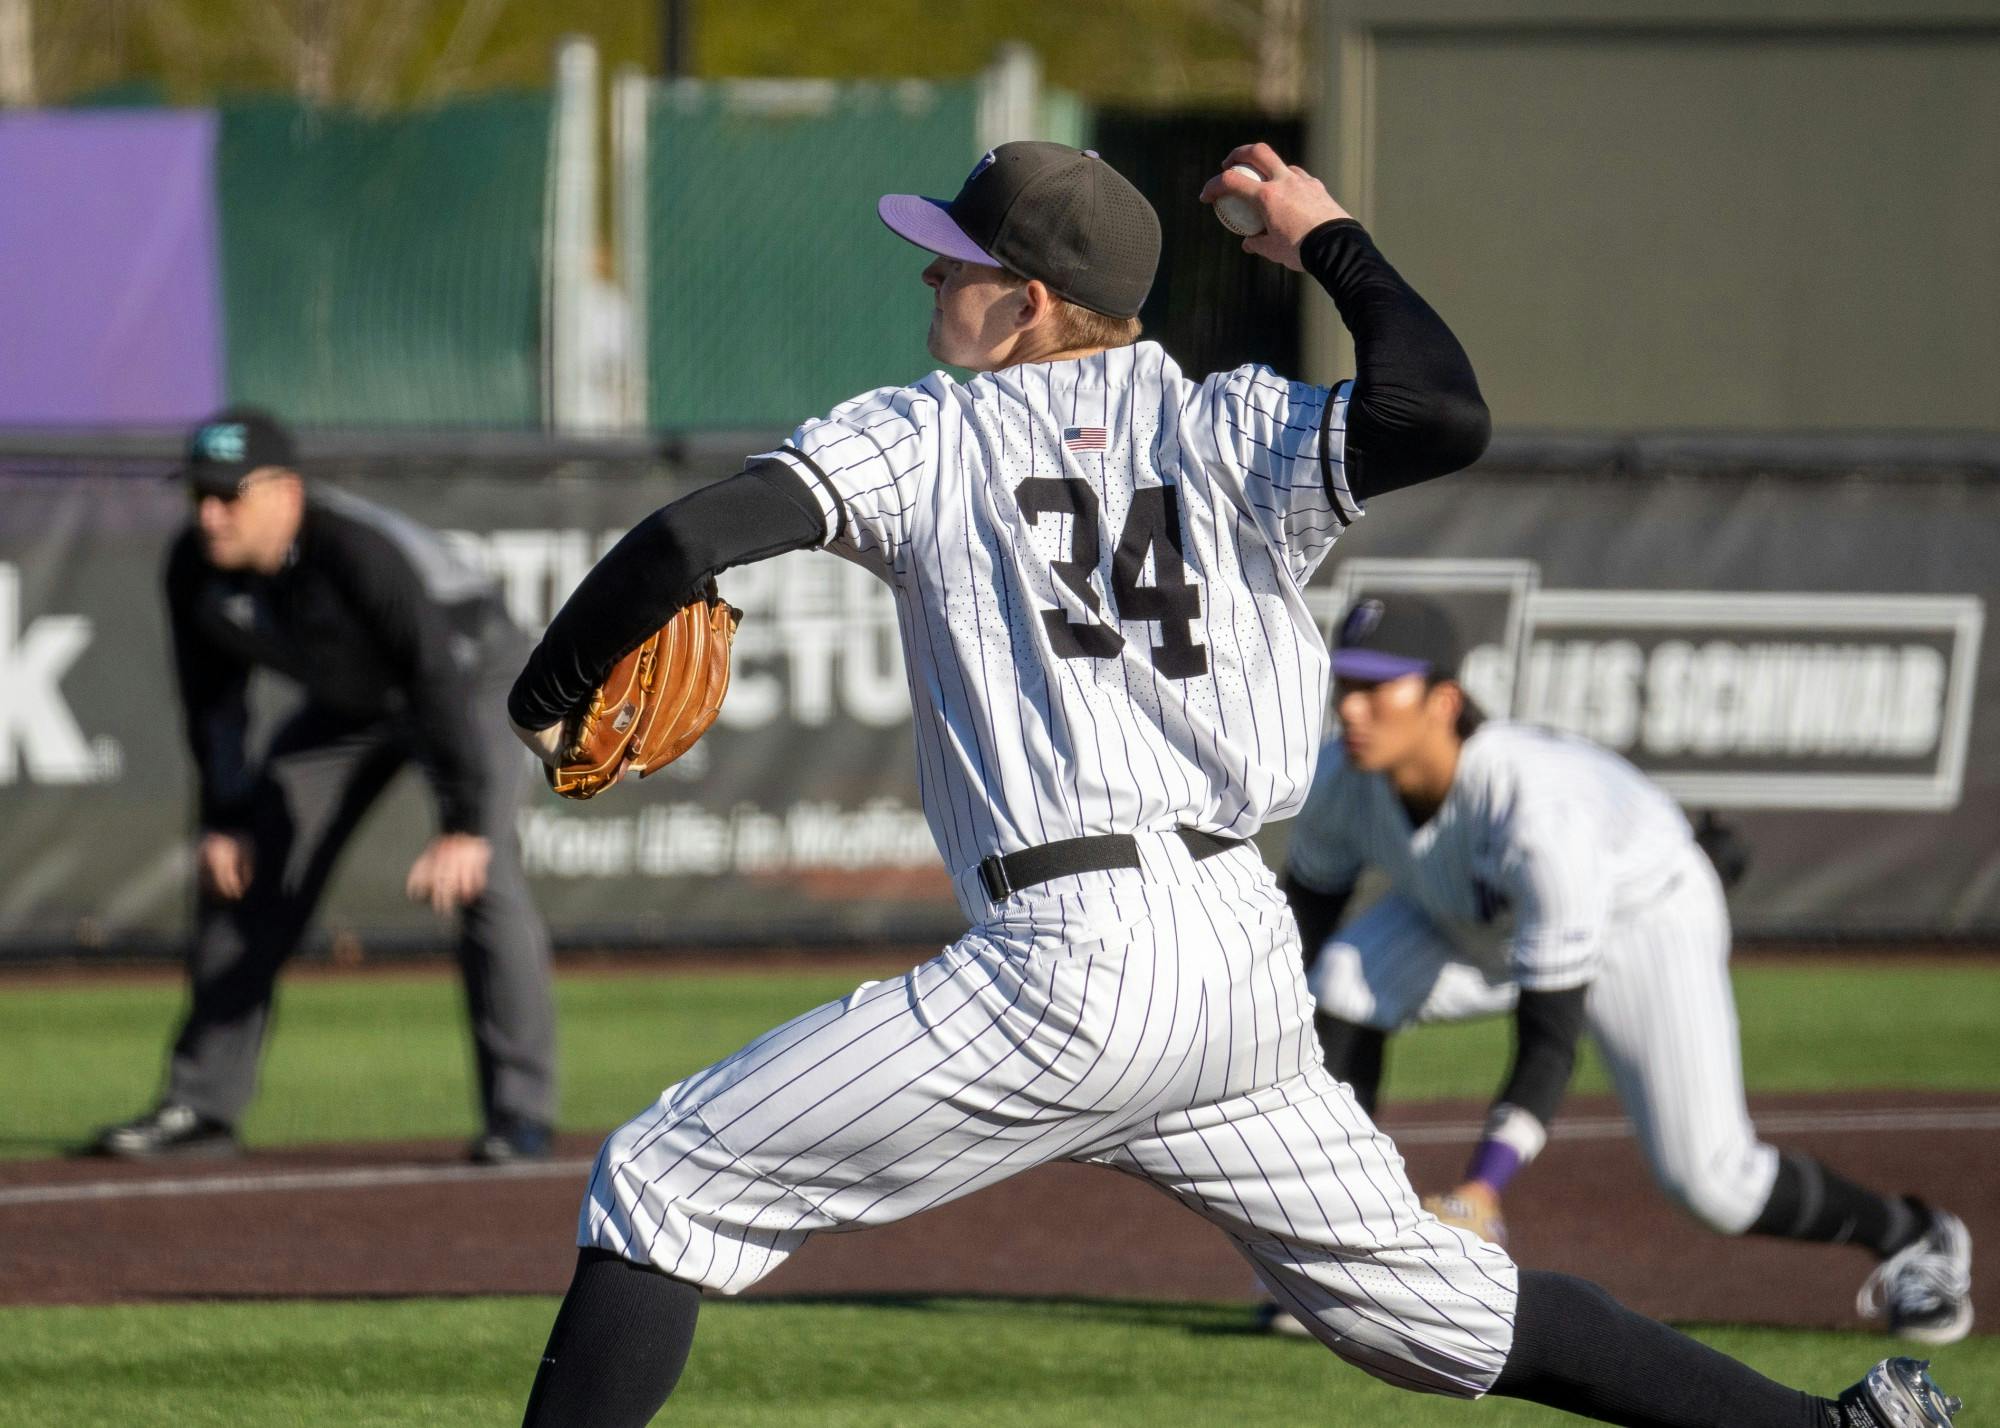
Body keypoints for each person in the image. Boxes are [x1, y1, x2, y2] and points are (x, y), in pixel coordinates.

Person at [504, 141, 1960, 1428]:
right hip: (1236, 970)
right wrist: (1329, 237)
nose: (927, 276)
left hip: (1068, 965)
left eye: (952, 260)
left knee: (668, 1183)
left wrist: (543, 693)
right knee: (1434, 1311)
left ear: (1023, 306)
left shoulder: (926, 434)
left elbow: (691, 538)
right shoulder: (1231, 425)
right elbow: (1441, 415)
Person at [1262, 592, 1974, 1345]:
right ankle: (1341, 1258)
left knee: (1713, 1184)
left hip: (1644, 914)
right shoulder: (1341, 777)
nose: (1352, 708)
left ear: (1442, 700)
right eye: (1346, 684)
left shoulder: (1538, 819)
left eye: (1377, 687)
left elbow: (1549, 1038)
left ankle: (1915, 1236)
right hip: (1482, 918)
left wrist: (1482, 1187)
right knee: (1339, 978)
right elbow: (1298, 930)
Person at [86, 411, 557, 1165]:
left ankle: (521, 1115)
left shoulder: (353, 551)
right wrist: (225, 816)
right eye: (198, 495)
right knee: (241, 866)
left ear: (283, 492)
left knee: (485, 876)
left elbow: (432, 673)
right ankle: (202, 1106)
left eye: (228, 496)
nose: (210, 514)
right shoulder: (194, 566)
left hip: (471, 680)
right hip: (352, 707)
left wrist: (465, 823)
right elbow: (213, 706)